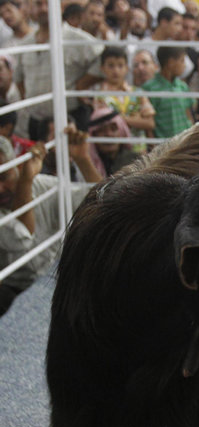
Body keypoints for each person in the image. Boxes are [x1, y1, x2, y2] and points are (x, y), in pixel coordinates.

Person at [0, 132, 101, 315]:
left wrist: (82, 159)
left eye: (3, 177)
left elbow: (102, 205)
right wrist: (24, 181)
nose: (0, 188)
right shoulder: (27, 181)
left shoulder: (41, 185)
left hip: (60, 277)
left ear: (16, 165)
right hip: (14, 289)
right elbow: (22, 238)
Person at [13, 0, 104, 138]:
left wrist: (82, 85)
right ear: (31, 8)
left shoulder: (76, 38)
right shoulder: (26, 43)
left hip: (71, 117)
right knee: (39, 161)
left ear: (60, 7)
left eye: (48, 3)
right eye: (38, 3)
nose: (43, 8)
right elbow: (19, 79)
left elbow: (105, 59)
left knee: (74, 159)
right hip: (37, 121)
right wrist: (31, 101)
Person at [92, 46, 156, 149]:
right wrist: (136, 119)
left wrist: (119, 118)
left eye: (120, 66)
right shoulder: (99, 96)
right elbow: (106, 125)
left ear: (127, 68)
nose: (116, 70)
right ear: (102, 68)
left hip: (139, 151)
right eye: (111, 66)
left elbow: (150, 123)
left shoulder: (138, 92)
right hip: (114, 153)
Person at [142, 46, 194, 138]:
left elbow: (188, 116)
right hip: (163, 145)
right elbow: (148, 125)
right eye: (182, 61)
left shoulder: (182, 86)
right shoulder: (149, 88)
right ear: (170, 63)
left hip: (184, 142)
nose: (184, 65)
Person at [86, 106, 141, 177]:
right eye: (102, 130)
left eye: (113, 128)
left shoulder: (136, 161)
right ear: (93, 135)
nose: (109, 134)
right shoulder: (87, 163)